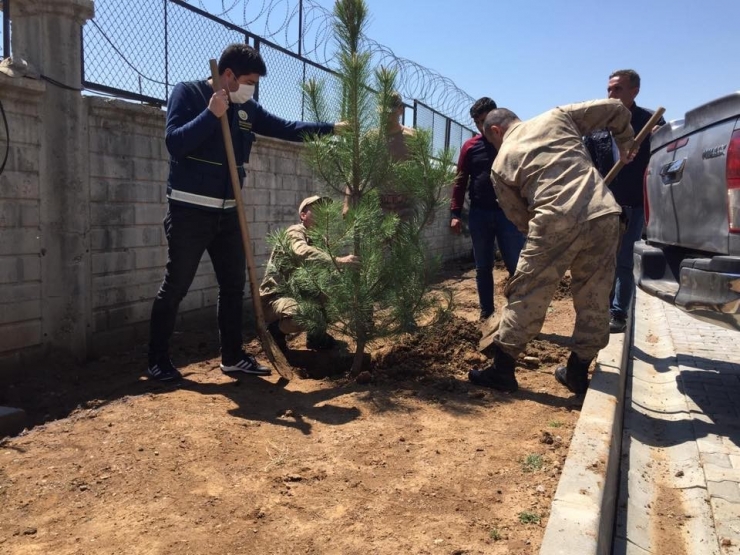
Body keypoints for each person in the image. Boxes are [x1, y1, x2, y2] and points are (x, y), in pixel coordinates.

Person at [147, 43, 345, 382]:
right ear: (228, 75)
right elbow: (175, 143)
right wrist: (211, 114)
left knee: (233, 286)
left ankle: (233, 357)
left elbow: (287, 128)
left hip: (227, 213)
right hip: (190, 213)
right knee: (176, 286)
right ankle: (157, 361)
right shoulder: (188, 94)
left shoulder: (246, 108)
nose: (252, 88)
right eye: (249, 81)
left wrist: (332, 129)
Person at [468, 99, 635, 395]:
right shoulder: (558, 117)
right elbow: (616, 108)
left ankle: (503, 370)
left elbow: (519, 217)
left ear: (495, 130)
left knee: (528, 293)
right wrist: (626, 143)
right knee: (595, 294)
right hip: (604, 213)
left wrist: (547, 242)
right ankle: (577, 371)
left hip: (553, 219)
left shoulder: (501, 162)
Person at [584, 69, 666, 333]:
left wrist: (658, 138)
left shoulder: (650, 123)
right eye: (609, 89)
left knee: (624, 261)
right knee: (602, 259)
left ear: (635, 91)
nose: (611, 94)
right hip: (604, 204)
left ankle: (618, 314)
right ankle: (602, 307)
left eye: (617, 89)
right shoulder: (598, 125)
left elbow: (663, 162)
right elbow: (588, 164)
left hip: (634, 204)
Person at [450, 97, 525, 321]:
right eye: (477, 123)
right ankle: (487, 314)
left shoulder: (513, 145)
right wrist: (455, 213)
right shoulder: (470, 147)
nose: (482, 127)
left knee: (516, 267)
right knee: (483, 268)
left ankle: (518, 316)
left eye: (484, 121)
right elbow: (460, 181)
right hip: (479, 214)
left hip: (509, 216)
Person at [260, 196, 360, 351]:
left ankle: (316, 338)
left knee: (331, 302)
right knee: (308, 315)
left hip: (299, 295)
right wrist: (338, 260)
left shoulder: (319, 240)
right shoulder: (294, 232)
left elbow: (324, 275)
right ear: (303, 216)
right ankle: (274, 331)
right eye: (316, 209)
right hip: (276, 298)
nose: (322, 213)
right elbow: (301, 252)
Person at [343, 91, 416, 220]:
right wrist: (347, 204)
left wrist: (429, 205)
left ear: (400, 110)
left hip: (405, 207)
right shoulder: (370, 138)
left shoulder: (412, 137)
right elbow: (355, 171)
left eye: (391, 113)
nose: (387, 117)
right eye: (383, 113)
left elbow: (424, 174)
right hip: (377, 206)